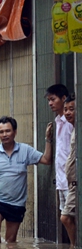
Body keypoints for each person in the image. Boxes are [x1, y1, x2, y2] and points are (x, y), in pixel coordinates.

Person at [0, 116, 53, 243]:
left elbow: (46, 160)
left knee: (11, 241)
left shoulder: (25, 150)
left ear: (15, 132)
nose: (4, 134)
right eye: (1, 132)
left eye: (8, 131)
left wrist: (48, 140)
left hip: (16, 203)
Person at [46, 84, 74, 232]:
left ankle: (73, 248)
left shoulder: (70, 122)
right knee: (66, 216)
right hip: (61, 179)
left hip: (70, 179)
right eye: (49, 100)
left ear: (63, 98)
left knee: (67, 217)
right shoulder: (58, 121)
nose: (50, 103)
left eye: (53, 99)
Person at [61, 95, 77, 245]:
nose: (67, 113)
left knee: (65, 217)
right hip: (72, 183)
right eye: (65, 109)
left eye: (71, 109)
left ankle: (74, 248)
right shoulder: (74, 129)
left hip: (76, 184)